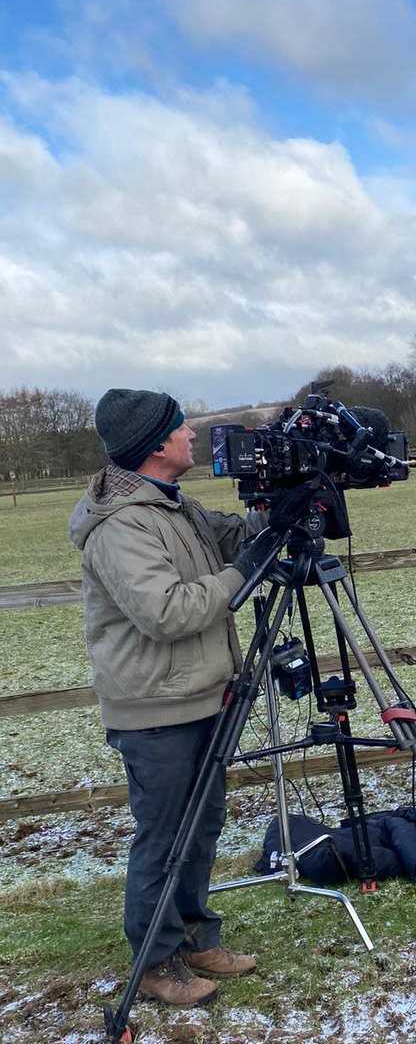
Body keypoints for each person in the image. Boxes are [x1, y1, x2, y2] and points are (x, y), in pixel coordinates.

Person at [69, 388, 270, 1007]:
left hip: (202, 695)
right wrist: (242, 574)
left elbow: (233, 538)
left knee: (202, 827)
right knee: (163, 838)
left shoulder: (172, 504)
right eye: (183, 427)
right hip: (155, 706)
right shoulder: (122, 524)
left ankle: (196, 936)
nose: (193, 435)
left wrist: (279, 512)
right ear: (156, 444)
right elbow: (167, 612)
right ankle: (156, 962)